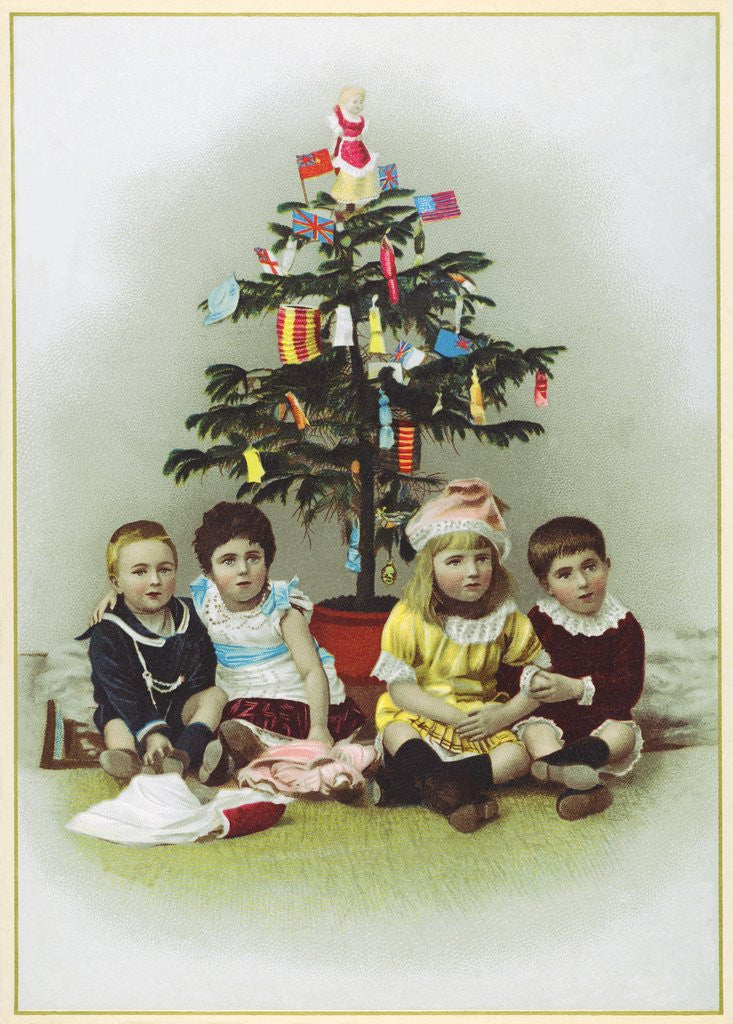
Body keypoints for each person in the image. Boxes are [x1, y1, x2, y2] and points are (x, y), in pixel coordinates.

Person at [371, 479, 549, 832]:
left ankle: (421, 785)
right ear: (430, 568)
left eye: (482, 559)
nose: (472, 572)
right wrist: (449, 716)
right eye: (455, 561)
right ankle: (459, 794)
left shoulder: (506, 617)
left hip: (481, 720)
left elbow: (539, 679)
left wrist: (504, 716)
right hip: (426, 712)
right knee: (396, 730)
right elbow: (401, 690)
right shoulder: (410, 616)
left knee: (516, 758)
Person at [461, 516, 645, 821]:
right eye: (565, 575)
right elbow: (511, 670)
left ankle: (565, 771)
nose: (582, 582)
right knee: (536, 734)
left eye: (590, 567)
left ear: (607, 565)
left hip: (599, 718)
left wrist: (576, 688)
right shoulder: (540, 620)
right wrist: (536, 683)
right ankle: (577, 781)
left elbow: (629, 688)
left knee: (623, 736)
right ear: (547, 585)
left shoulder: (624, 626)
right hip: (549, 716)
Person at [188, 501, 365, 786]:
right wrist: (113, 600)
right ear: (209, 570)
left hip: (290, 696)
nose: (243, 569)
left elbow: (311, 671)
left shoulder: (282, 610)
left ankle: (261, 754)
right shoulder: (206, 601)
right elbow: (165, 611)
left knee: (244, 724)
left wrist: (319, 726)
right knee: (210, 714)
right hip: (237, 692)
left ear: (267, 561)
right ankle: (242, 752)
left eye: (253, 557)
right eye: (228, 561)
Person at [80, 521, 226, 781]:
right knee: (115, 723)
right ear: (116, 583)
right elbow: (121, 691)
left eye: (165, 570)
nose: (155, 581)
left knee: (215, 696)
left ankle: (181, 756)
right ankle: (129, 761)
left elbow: (204, 667)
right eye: (139, 572)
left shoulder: (190, 615)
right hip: (128, 708)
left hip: (176, 706)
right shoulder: (109, 633)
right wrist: (151, 733)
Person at [329, 85, 379, 208]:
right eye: (355, 101)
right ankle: (348, 202)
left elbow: (360, 134)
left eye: (361, 102)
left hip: (361, 151)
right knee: (348, 176)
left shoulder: (362, 120)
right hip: (347, 151)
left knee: (364, 174)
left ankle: (360, 201)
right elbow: (337, 137)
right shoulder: (341, 120)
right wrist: (332, 151)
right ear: (345, 102)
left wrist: (360, 137)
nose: (358, 105)